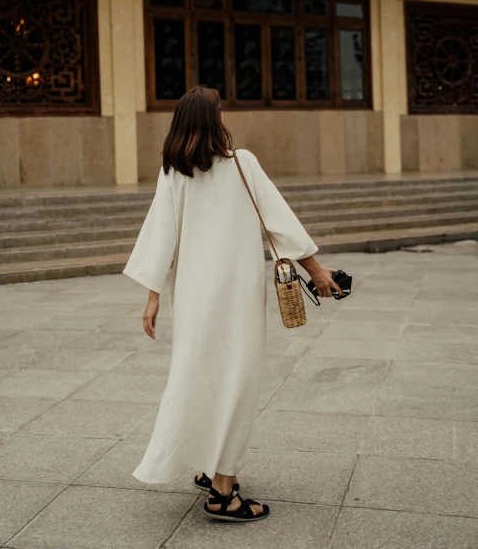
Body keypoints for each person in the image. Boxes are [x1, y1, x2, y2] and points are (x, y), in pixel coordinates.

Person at [123, 85, 341, 523]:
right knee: (237, 380)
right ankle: (223, 492)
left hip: (191, 297)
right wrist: (316, 270)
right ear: (213, 119)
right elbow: (278, 220)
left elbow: (158, 237)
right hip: (236, 293)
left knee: (198, 374)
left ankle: (209, 466)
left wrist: (152, 298)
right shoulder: (243, 163)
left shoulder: (174, 172)